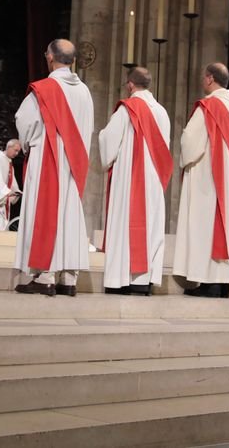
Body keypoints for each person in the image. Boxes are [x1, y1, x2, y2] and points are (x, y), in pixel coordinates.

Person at [14, 39, 93, 297]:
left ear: (50, 57)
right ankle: (69, 278)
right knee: (68, 215)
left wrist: (27, 146)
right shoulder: (85, 91)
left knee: (45, 213)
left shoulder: (45, 88)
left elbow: (24, 122)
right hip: (73, 162)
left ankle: (44, 275)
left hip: (47, 158)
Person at [173, 63, 229, 298]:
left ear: (210, 79)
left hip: (207, 176)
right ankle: (222, 282)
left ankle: (207, 282)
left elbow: (190, 141)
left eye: (204, 76)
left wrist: (185, 158)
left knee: (205, 227)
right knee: (221, 228)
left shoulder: (210, 105)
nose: (203, 80)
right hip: (226, 175)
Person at [98, 66, 171, 296]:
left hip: (130, 179)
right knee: (150, 228)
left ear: (130, 84)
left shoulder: (127, 109)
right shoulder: (162, 112)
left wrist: (101, 137)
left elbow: (109, 142)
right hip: (154, 180)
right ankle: (143, 280)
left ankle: (123, 279)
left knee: (126, 225)